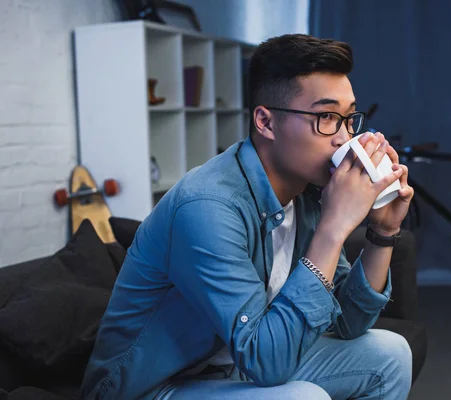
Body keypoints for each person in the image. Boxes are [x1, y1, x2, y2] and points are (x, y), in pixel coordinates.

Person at [80, 33, 415, 400]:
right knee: (302, 398)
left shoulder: (310, 193)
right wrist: (333, 229)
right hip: (156, 384)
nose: (344, 138)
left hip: (236, 366)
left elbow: (348, 322)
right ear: (266, 122)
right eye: (327, 117)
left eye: (349, 119)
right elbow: (267, 363)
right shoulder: (207, 206)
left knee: (391, 354)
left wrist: (383, 232)